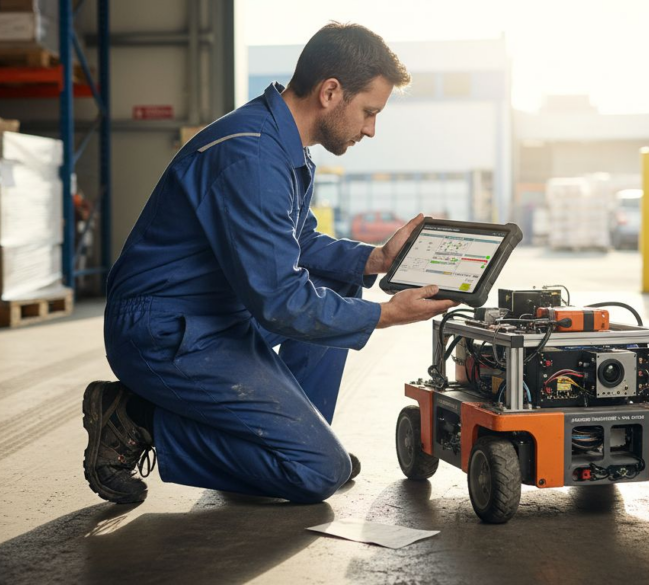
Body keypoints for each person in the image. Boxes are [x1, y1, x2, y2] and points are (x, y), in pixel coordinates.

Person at [83, 23, 457, 506]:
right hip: (163, 332)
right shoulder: (252, 157)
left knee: (339, 279)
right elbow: (280, 301)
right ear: (330, 92)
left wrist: (377, 259)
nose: (370, 128)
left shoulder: (281, 144)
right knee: (317, 471)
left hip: (212, 314)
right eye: (369, 112)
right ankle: (136, 417)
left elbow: (296, 245)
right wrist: (386, 314)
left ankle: (294, 440)